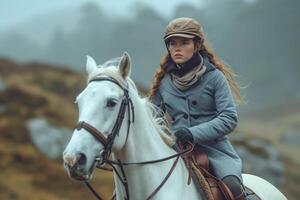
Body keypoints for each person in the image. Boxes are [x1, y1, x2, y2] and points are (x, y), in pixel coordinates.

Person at [148, 17, 246, 200]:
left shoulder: (215, 78)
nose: (177, 48)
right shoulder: (163, 82)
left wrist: (193, 133)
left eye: (184, 43)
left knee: (233, 187)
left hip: (215, 151)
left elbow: (229, 118)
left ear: (197, 44)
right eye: (172, 43)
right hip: (175, 150)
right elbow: (152, 119)